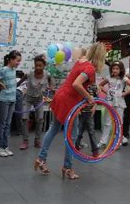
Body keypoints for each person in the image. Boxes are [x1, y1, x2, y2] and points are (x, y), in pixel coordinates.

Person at [34, 42, 106, 180]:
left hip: (61, 96)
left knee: (54, 128)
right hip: (68, 101)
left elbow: (76, 82)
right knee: (72, 136)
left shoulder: (82, 61)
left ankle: (41, 158)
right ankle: (68, 167)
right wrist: (90, 98)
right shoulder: (90, 68)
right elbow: (77, 84)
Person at [0, 50, 22, 157]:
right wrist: (0, 83)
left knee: (8, 124)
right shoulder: (4, 70)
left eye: (19, 61)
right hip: (3, 100)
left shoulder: (13, 70)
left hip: (12, 100)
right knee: (2, 124)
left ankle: (5, 146)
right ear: (10, 60)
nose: (18, 63)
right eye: (17, 60)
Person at [98, 62, 130, 149]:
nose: (115, 70)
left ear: (121, 70)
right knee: (107, 122)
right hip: (110, 102)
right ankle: (103, 142)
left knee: (119, 122)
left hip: (119, 103)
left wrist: (124, 93)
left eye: (117, 69)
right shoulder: (108, 78)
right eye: (113, 68)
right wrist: (106, 92)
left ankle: (117, 141)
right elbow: (100, 85)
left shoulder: (124, 78)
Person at [19, 55, 55, 150]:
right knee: (24, 118)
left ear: (44, 66)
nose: (38, 67)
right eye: (36, 65)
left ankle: (37, 140)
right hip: (28, 98)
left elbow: (51, 81)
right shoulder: (29, 74)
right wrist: (13, 87)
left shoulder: (47, 74)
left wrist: (51, 87)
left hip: (39, 99)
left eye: (40, 66)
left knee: (40, 119)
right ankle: (25, 141)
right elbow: (19, 82)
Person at [75, 83, 99, 157]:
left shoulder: (94, 86)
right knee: (79, 132)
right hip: (81, 113)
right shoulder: (79, 85)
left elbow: (97, 99)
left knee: (91, 132)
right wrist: (78, 109)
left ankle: (95, 151)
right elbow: (76, 98)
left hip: (89, 113)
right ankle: (76, 147)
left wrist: (94, 107)